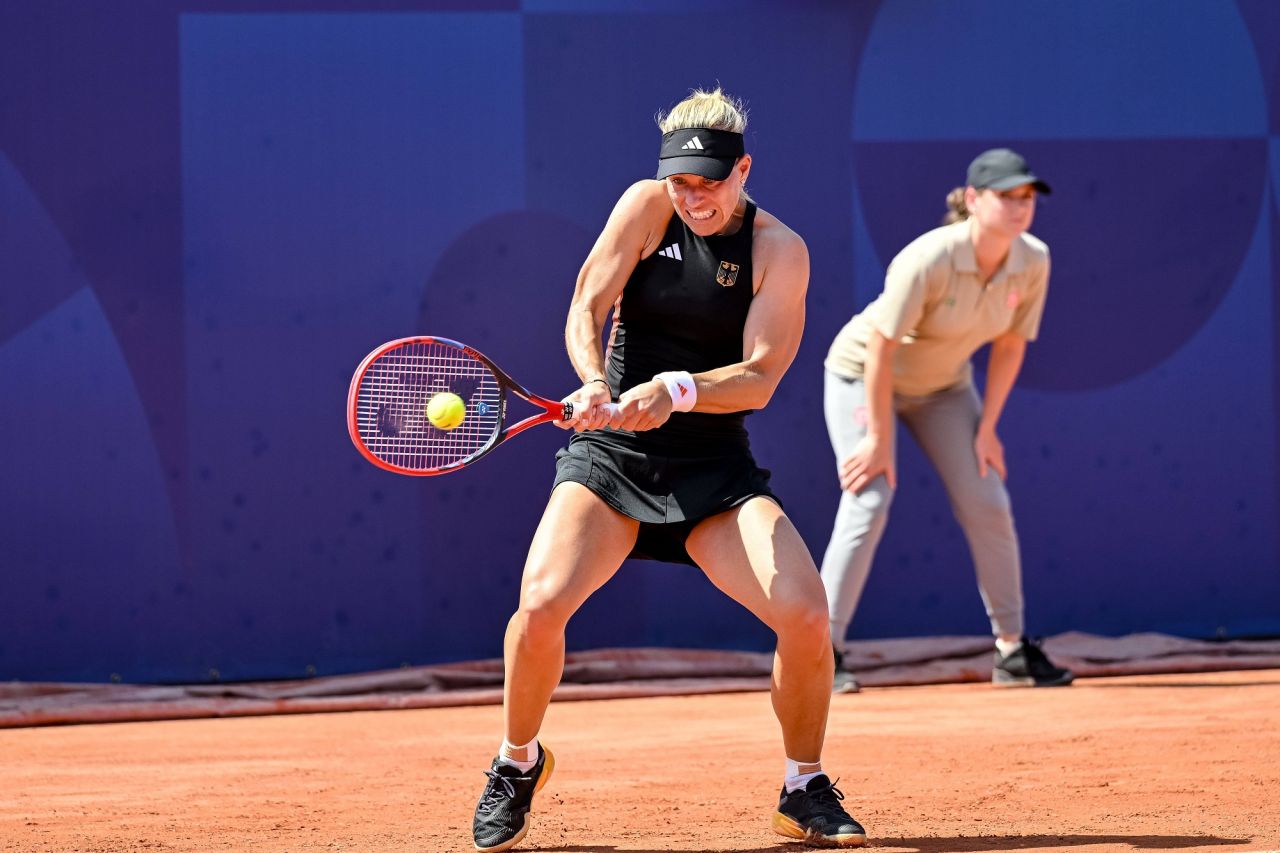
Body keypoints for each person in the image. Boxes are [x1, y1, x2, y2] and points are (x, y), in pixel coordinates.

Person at [470, 87, 867, 851]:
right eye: (681, 183)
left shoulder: (781, 250)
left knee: (807, 615)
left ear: (743, 170)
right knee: (541, 604)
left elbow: (760, 375)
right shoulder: (647, 206)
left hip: (712, 467)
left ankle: (803, 785)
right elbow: (589, 303)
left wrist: (678, 391)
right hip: (612, 456)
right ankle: (517, 762)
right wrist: (592, 381)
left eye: (710, 182)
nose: (693, 198)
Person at [820, 148, 1074, 694]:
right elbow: (882, 347)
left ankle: (1011, 651)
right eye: (1007, 196)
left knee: (988, 497)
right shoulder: (928, 258)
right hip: (862, 374)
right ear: (975, 200)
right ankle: (821, 650)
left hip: (944, 390)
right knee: (870, 496)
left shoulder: (1034, 260)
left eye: (1026, 197)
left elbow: (1009, 346)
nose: (1019, 206)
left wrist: (987, 430)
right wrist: (881, 439)